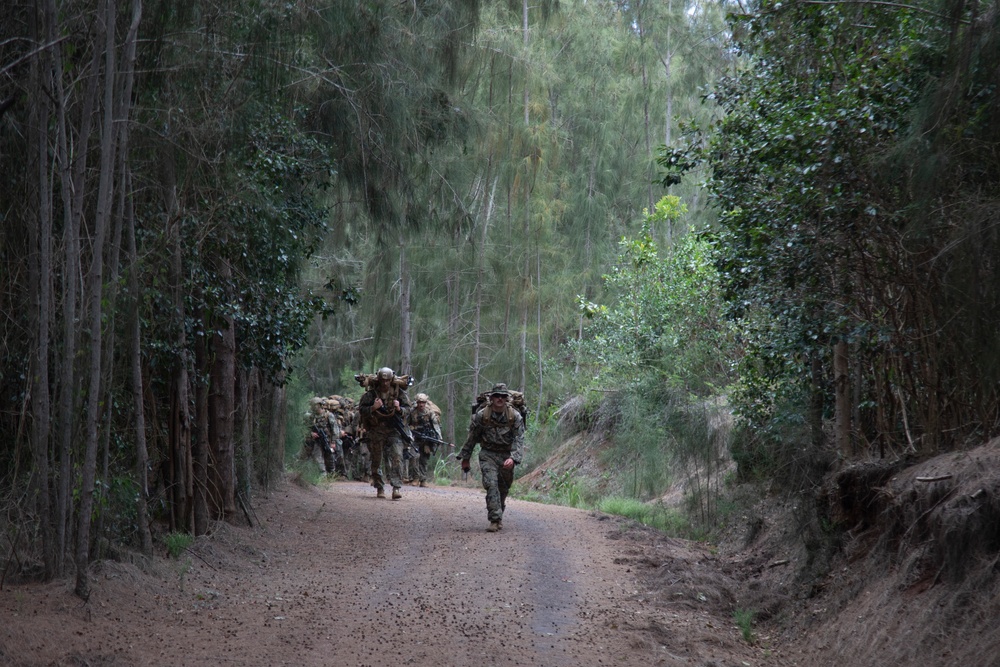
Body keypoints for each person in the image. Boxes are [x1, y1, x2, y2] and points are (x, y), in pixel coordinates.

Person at [458, 383, 524, 532]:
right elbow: (472, 438)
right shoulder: (482, 416)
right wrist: (465, 458)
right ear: (492, 398)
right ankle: (494, 519)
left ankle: (499, 512)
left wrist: (513, 458)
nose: (499, 399)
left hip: (507, 455)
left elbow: (519, 439)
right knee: (491, 484)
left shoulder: (515, 416)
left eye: (503, 396)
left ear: (506, 399)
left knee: (503, 488)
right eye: (496, 396)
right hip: (488, 454)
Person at [357, 367, 412, 500]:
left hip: (394, 430)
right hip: (377, 430)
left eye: (387, 381)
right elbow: (361, 409)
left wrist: (400, 408)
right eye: (383, 380)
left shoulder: (399, 393)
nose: (385, 383)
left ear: (391, 381)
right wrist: (373, 408)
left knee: (397, 457)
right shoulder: (371, 394)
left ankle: (396, 487)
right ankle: (379, 487)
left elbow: (409, 409)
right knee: (376, 460)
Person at [406, 393, 449, 487]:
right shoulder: (412, 412)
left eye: (423, 402)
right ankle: (415, 478)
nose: (421, 404)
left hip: (426, 440)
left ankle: (423, 480)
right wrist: (410, 432)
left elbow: (436, 426)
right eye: (419, 402)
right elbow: (406, 424)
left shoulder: (429, 413)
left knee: (424, 460)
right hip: (415, 438)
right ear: (417, 402)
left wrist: (439, 438)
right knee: (414, 456)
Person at [302, 397, 337, 475]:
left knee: (329, 456)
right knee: (316, 456)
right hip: (315, 440)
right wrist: (311, 433)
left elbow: (334, 429)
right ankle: (322, 473)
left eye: (314, 405)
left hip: (327, 439)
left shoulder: (328, 415)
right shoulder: (310, 416)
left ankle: (331, 473)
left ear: (319, 405)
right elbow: (304, 427)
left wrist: (333, 442)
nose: (312, 407)